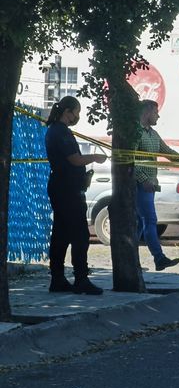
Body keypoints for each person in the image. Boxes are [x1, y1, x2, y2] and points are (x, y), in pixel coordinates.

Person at [135, 100, 179, 271]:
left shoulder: (153, 135)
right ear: (147, 112)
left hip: (150, 185)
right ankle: (159, 258)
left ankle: (132, 261)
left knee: (139, 224)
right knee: (150, 221)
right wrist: (143, 179)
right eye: (156, 112)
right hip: (140, 186)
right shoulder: (136, 133)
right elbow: (131, 161)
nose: (158, 116)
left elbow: (169, 153)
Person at [45, 96, 107, 295]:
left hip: (64, 187)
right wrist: (95, 157)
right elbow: (75, 159)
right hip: (66, 189)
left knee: (61, 234)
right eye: (77, 112)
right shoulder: (60, 132)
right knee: (80, 235)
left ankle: (58, 278)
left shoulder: (57, 131)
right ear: (68, 111)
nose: (77, 117)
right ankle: (81, 278)